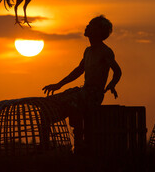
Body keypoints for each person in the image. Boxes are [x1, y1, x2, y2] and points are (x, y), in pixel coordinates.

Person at [43, 15, 122, 151]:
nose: (86, 27)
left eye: (90, 25)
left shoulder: (105, 52)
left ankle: (79, 142)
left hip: (94, 95)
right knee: (48, 104)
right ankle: (44, 146)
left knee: (73, 102)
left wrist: (112, 84)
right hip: (83, 91)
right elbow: (79, 70)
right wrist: (59, 85)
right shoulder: (88, 51)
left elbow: (118, 71)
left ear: (99, 31)